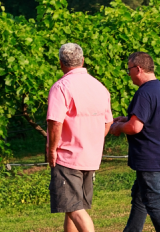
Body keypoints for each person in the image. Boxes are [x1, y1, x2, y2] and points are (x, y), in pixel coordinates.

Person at [47, 42, 113, 232]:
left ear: (61, 64)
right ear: (83, 61)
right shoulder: (99, 87)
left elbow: (55, 122)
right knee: (74, 206)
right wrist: (92, 140)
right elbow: (108, 122)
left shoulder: (61, 87)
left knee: (74, 209)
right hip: (90, 157)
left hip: (68, 156)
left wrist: (52, 150)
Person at [109, 52, 160, 232]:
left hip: (149, 155)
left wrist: (119, 127)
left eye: (129, 69)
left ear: (138, 69)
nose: (128, 73)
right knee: (140, 196)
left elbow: (135, 127)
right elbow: (152, 119)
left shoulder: (144, 93)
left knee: (153, 200)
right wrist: (127, 119)